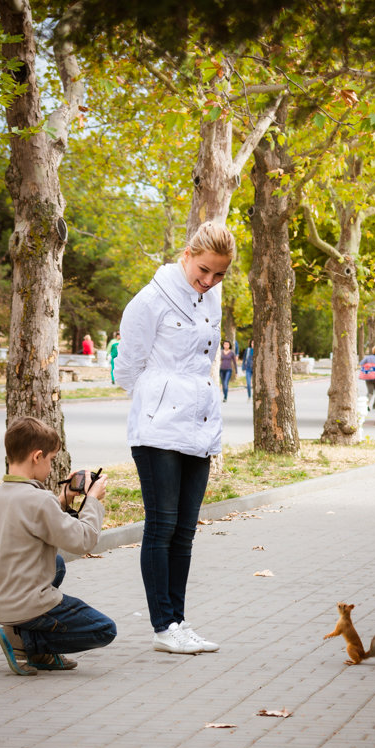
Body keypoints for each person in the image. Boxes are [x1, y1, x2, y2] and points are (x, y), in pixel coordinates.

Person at [114, 220, 235, 655]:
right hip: (158, 426)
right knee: (161, 526)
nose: (209, 280)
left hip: (199, 424)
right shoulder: (148, 302)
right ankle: (162, 627)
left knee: (185, 531)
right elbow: (126, 370)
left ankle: (179, 623)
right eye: (203, 269)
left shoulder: (212, 298)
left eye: (219, 273)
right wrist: (159, 398)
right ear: (187, 254)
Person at [0, 416, 116, 676]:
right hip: (24, 603)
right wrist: (92, 501)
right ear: (37, 456)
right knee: (104, 630)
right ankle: (27, 643)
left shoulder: (1, 493)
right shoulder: (39, 500)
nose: (51, 466)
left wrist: (64, 499)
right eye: (51, 459)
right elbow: (83, 541)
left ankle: (23, 634)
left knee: (56, 564)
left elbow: (34, 517)